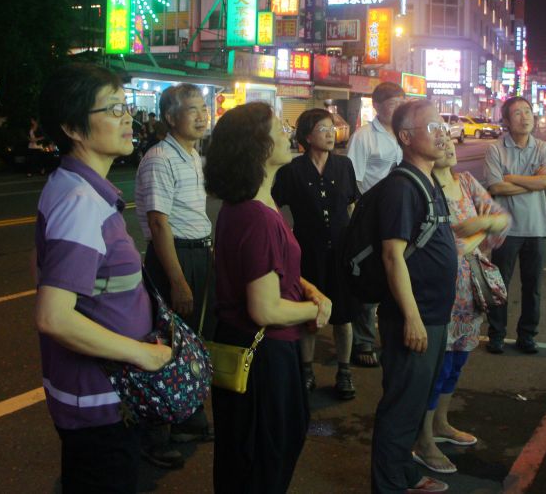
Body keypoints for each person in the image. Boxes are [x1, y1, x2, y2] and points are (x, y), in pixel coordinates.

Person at [33, 63, 172, 493]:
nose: (127, 117)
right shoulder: (79, 201)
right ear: (74, 128)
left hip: (99, 399)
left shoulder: (78, 188)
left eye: (125, 106)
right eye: (112, 109)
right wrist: (141, 354)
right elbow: (55, 317)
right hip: (98, 406)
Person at [204, 102, 331, 494]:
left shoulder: (251, 205)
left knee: (246, 455)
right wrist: (317, 308)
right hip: (264, 360)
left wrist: (307, 286)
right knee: (264, 459)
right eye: (279, 128)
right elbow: (265, 307)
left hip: (253, 351)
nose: (288, 133)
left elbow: (274, 270)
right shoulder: (257, 216)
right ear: (257, 146)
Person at [370, 99, 458, 494]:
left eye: (443, 127)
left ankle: (404, 473)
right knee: (400, 407)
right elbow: (392, 256)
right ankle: (388, 485)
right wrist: (412, 317)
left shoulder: (428, 180)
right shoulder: (402, 186)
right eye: (433, 128)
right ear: (406, 137)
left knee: (415, 400)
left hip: (433, 314)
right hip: (414, 316)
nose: (443, 134)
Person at [411, 136, 509, 474]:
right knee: (434, 367)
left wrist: (479, 226)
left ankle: (441, 423)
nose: (448, 147)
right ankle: (422, 440)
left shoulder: (466, 182)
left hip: (470, 291)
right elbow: (444, 246)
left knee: (456, 362)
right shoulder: (423, 188)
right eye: (440, 142)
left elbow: (501, 220)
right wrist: (480, 231)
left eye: (451, 143)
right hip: (439, 291)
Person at [134, 83, 214, 468]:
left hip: (198, 253)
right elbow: (158, 223)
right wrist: (179, 280)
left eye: (204, 107)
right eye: (193, 109)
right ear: (170, 117)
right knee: (165, 346)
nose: (203, 115)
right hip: (174, 258)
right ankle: (155, 434)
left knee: (192, 342)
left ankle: (187, 419)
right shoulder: (159, 158)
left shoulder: (192, 155)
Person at [272, 108, 361, 400]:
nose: (330, 133)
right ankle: (306, 371)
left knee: (343, 316)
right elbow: (273, 208)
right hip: (307, 253)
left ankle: (344, 372)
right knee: (308, 314)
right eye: (323, 129)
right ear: (307, 136)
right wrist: (285, 241)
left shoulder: (344, 166)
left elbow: (351, 205)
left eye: (331, 128)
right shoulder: (291, 171)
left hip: (341, 251)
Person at [483, 96, 546, 355]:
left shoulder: (543, 148)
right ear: (505, 120)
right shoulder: (495, 149)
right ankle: (497, 334)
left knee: (532, 287)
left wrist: (511, 177)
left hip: (536, 228)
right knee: (499, 286)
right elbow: (495, 186)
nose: (524, 117)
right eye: (517, 113)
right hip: (506, 230)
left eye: (528, 111)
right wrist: (530, 181)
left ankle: (527, 336)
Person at [346, 81, 405, 368]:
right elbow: (353, 180)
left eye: (401, 104)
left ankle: (393, 334)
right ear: (378, 106)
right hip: (371, 218)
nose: (399, 110)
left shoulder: (406, 135)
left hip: (400, 216)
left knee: (398, 275)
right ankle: (364, 341)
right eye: (394, 104)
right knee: (369, 279)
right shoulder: (364, 137)